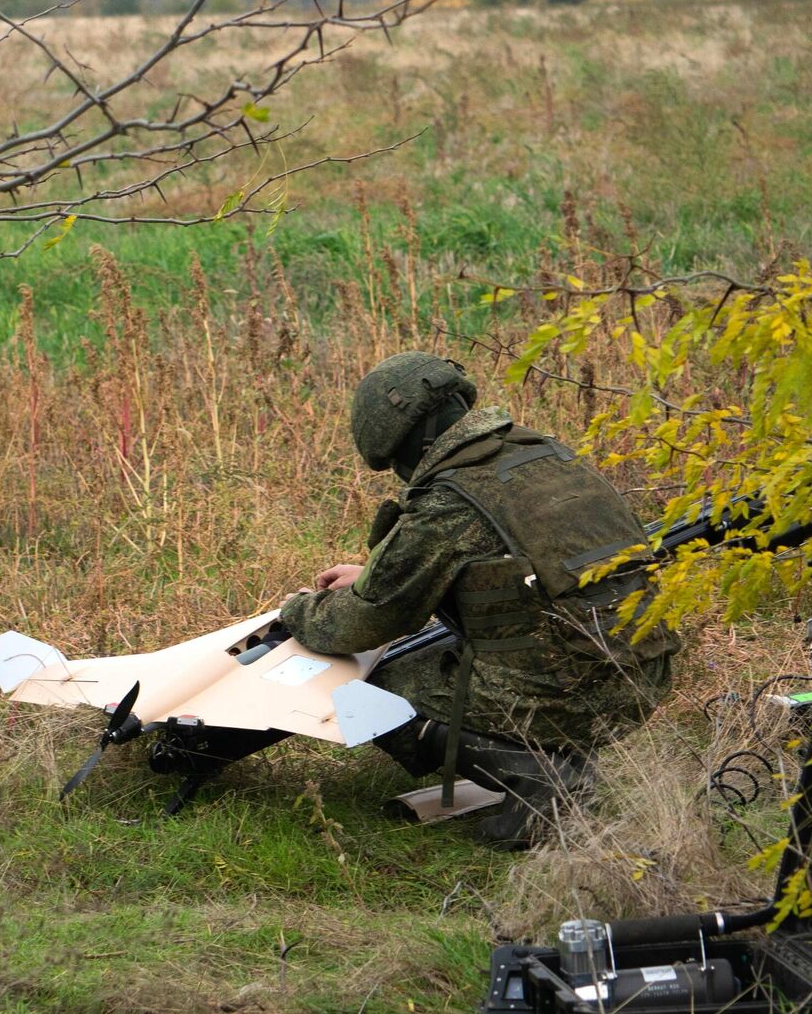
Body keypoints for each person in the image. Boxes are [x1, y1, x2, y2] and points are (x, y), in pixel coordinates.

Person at [278, 353, 678, 849]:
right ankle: (563, 758)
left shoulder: (451, 498)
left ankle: (542, 782)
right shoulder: (545, 454)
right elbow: (510, 561)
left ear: (398, 443)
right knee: (457, 655)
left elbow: (362, 624)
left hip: (577, 692)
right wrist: (372, 575)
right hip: (642, 674)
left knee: (364, 687)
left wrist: (296, 610)